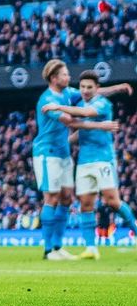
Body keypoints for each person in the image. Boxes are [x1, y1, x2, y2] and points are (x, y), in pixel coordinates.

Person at [44, 71, 135, 259]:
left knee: (112, 201)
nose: (85, 90)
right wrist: (64, 143)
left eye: (89, 87)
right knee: (86, 204)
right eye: (82, 87)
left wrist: (58, 107)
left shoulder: (102, 103)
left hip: (103, 159)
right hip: (84, 162)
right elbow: (82, 131)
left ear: (97, 88)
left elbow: (86, 114)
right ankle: (91, 248)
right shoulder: (80, 104)